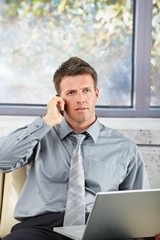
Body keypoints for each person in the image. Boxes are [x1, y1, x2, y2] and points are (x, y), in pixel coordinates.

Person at [0, 56, 154, 240]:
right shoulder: (40, 136)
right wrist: (46, 122)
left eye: (86, 90)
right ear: (59, 100)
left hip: (103, 230)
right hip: (41, 229)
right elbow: (2, 159)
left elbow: (139, 206)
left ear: (96, 94)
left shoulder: (125, 148)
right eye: (71, 93)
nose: (80, 99)